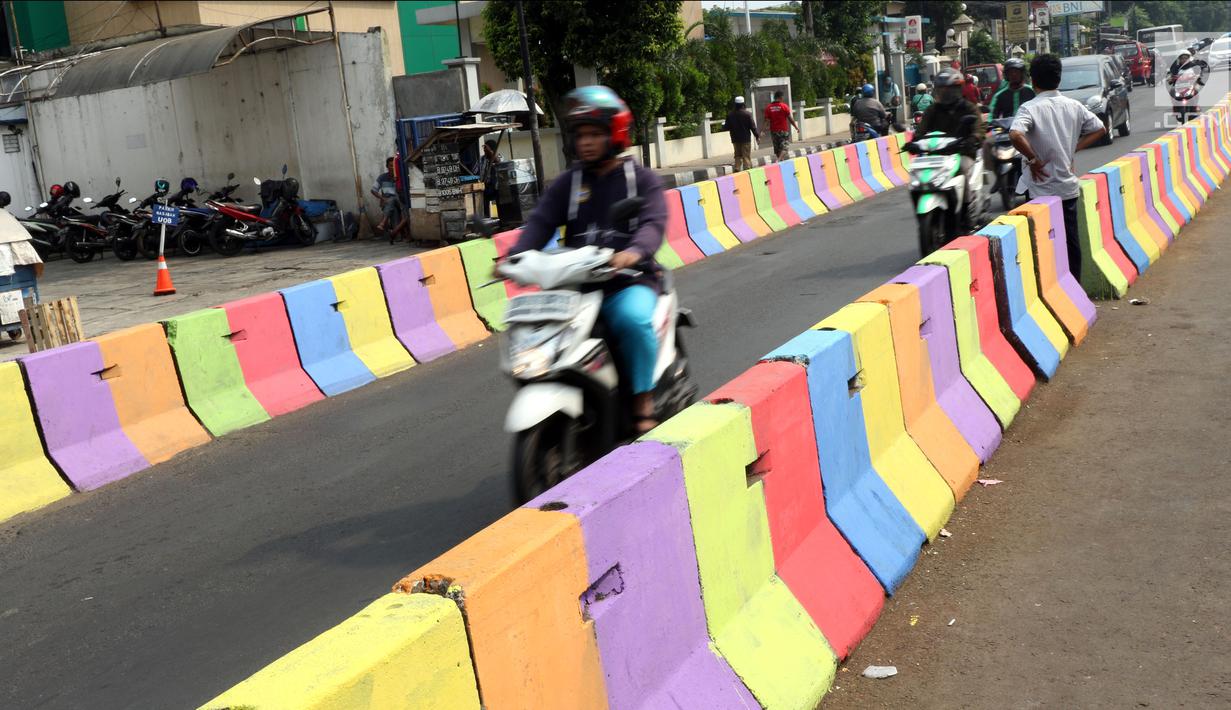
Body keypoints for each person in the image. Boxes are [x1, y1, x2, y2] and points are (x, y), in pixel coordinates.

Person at [510, 85, 668, 433]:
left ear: (615, 133)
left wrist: (633, 252)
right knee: (538, 331)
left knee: (631, 320)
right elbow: (540, 222)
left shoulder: (640, 180)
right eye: (581, 135)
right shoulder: (568, 182)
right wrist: (515, 255)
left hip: (627, 282)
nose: (586, 142)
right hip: (576, 287)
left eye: (595, 134)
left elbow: (653, 223)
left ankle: (643, 399)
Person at [1009, 54, 1107, 281]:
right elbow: (1100, 128)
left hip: (1039, 190)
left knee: (1041, 244)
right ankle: (1075, 287)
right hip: (1067, 188)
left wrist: (1033, 160)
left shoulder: (1029, 108)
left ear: (1033, 80)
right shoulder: (1074, 106)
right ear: (1059, 78)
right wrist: (1073, 148)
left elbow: (1015, 134)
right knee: (1071, 241)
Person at [912, 71, 985, 226]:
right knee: (917, 178)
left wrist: (973, 139)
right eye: (942, 89)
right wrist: (914, 142)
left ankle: (966, 213)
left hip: (962, 152)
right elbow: (921, 131)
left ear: (958, 89)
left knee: (963, 170)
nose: (946, 92)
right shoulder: (933, 110)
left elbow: (979, 129)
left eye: (949, 89)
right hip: (937, 155)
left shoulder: (969, 108)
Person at [371, 157, 405, 240]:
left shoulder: (401, 177)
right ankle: (397, 235)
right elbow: (373, 190)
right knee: (393, 208)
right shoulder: (382, 177)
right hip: (388, 202)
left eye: (393, 165)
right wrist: (382, 198)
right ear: (387, 166)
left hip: (400, 201)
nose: (392, 167)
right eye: (390, 166)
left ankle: (383, 222)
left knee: (392, 199)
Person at [724, 96, 759, 172]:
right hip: (745, 139)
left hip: (735, 139)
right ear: (743, 104)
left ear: (735, 104)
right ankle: (748, 170)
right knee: (746, 155)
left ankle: (737, 168)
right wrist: (757, 136)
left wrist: (723, 125)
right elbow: (753, 127)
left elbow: (726, 127)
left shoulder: (730, 115)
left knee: (737, 155)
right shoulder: (747, 114)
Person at [762, 90, 799, 161]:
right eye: (782, 97)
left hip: (774, 131)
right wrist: (796, 127)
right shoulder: (784, 106)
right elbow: (790, 119)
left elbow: (766, 121)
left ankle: (780, 161)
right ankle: (779, 160)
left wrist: (762, 131)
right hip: (783, 131)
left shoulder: (768, 107)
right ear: (780, 97)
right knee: (785, 147)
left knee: (777, 149)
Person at [479, 139, 503, 218]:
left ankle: (501, 219)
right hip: (486, 185)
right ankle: (487, 219)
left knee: (500, 202)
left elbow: (500, 163)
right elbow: (476, 171)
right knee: (484, 203)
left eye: (486, 147)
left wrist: (492, 155)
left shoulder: (499, 157)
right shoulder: (482, 159)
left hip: (497, 186)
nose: (484, 149)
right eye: (484, 147)